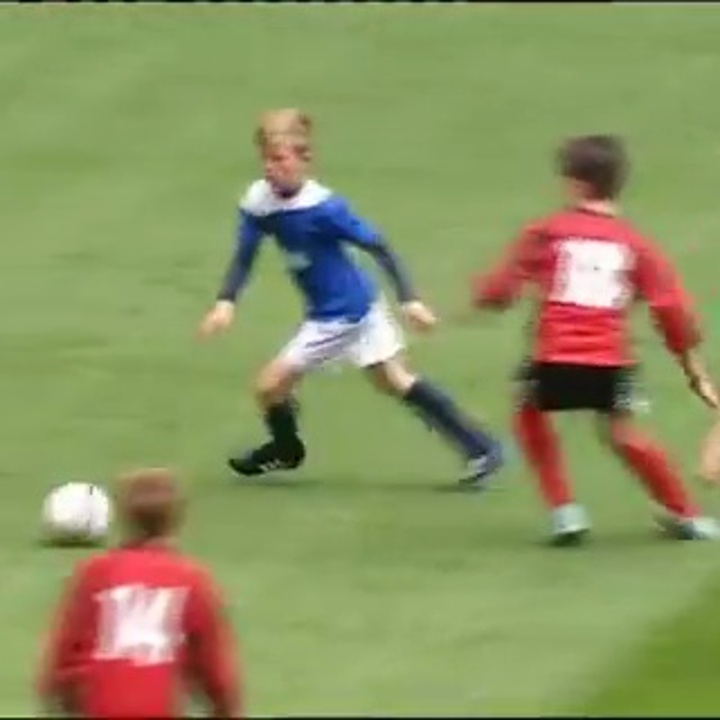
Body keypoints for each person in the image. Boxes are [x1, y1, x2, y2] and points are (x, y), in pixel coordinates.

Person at [199, 108, 503, 488]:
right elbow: (244, 255)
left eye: (279, 159)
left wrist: (410, 299)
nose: (271, 168)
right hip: (359, 303)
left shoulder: (325, 208)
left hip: (341, 315)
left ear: (305, 160)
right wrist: (226, 302)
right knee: (394, 380)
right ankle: (481, 447)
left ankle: (286, 450)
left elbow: (379, 246)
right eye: (266, 159)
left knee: (268, 386)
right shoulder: (259, 201)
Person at [470, 134, 720, 544]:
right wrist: (693, 369)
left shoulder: (548, 231)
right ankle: (687, 515)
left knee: (529, 414)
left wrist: (484, 299)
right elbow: (671, 309)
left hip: (554, 353)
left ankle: (564, 510)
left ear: (575, 184)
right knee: (623, 433)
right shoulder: (636, 244)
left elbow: (499, 290)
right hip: (609, 358)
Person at [37, 468, 241, 718]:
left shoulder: (96, 573)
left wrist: (65, 697)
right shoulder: (191, 579)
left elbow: (62, 658)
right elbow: (217, 672)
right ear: (177, 519)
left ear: (123, 516)